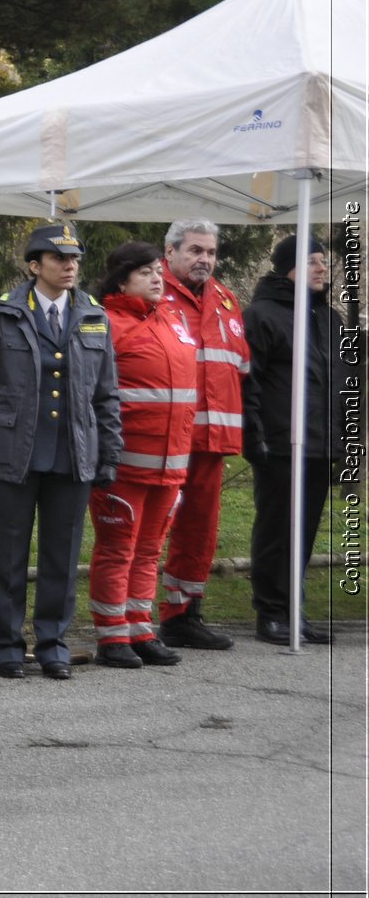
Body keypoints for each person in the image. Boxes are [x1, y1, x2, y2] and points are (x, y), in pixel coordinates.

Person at [0, 223, 121, 681]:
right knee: (8, 557)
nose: (70, 266)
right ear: (35, 266)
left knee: (62, 557)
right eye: (59, 259)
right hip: (14, 451)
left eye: (74, 259)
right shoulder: (3, 313)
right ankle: (6, 646)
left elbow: (106, 393)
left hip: (73, 454)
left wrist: (108, 451)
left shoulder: (94, 315)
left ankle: (53, 643)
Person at [86, 242, 197, 669]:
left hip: (171, 462)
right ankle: (111, 636)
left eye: (158, 271)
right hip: (124, 461)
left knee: (150, 550)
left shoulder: (172, 320)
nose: (158, 278)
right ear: (121, 278)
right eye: (146, 272)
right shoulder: (105, 323)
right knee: (118, 549)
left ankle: (140, 628)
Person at [243, 234, 348, 645]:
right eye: (312, 261)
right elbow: (249, 381)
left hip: (320, 442)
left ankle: (293, 610)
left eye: (324, 261)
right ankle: (270, 612)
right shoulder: (262, 316)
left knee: (303, 530)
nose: (323, 268)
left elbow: (340, 383)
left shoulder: (330, 319)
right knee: (277, 528)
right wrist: (256, 436)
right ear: (287, 267)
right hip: (281, 440)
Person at [155, 218, 247, 650]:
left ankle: (183, 614)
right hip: (163, 437)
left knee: (200, 530)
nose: (204, 259)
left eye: (210, 252)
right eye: (195, 250)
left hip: (212, 441)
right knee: (152, 528)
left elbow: (240, 369)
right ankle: (132, 615)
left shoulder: (226, 300)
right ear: (169, 252)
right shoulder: (153, 293)